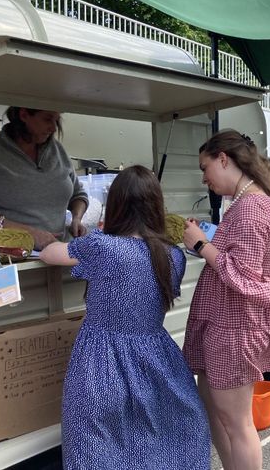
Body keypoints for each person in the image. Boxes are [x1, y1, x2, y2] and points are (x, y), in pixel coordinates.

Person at [39, 166, 210, 469]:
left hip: (100, 362)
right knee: (163, 444)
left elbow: (50, 254)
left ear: (116, 204)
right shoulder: (173, 256)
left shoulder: (103, 247)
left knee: (97, 450)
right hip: (158, 358)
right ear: (157, 205)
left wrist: (45, 238)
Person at [182, 129, 270, 470]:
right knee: (220, 415)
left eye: (204, 167)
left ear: (223, 159)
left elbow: (244, 276)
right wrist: (207, 238)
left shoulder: (252, 206)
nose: (204, 177)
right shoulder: (244, 202)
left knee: (237, 423)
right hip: (228, 324)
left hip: (236, 326)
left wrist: (199, 244)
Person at [0, 107, 88, 250]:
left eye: (56, 120)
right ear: (24, 115)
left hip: (60, 252)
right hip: (10, 257)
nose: (53, 128)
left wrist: (76, 218)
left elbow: (78, 195)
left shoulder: (57, 150)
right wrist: (30, 234)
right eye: (47, 119)